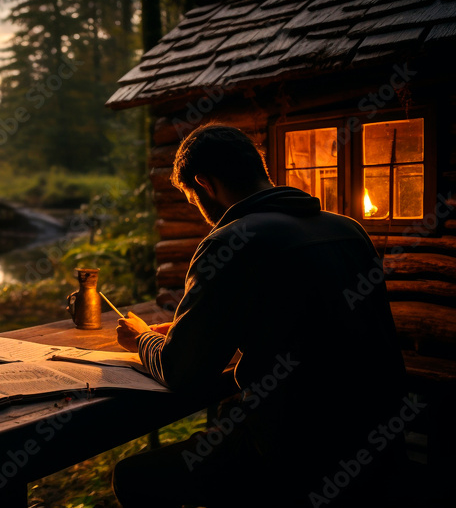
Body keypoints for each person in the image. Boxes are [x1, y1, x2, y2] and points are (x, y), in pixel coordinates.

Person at [113, 125, 408, 507]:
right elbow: (305, 323)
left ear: (204, 183)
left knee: (133, 476)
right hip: (379, 440)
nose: (200, 211)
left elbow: (181, 370)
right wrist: (213, 326)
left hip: (292, 453)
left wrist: (141, 338)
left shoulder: (229, 241)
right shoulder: (348, 230)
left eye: (191, 198)